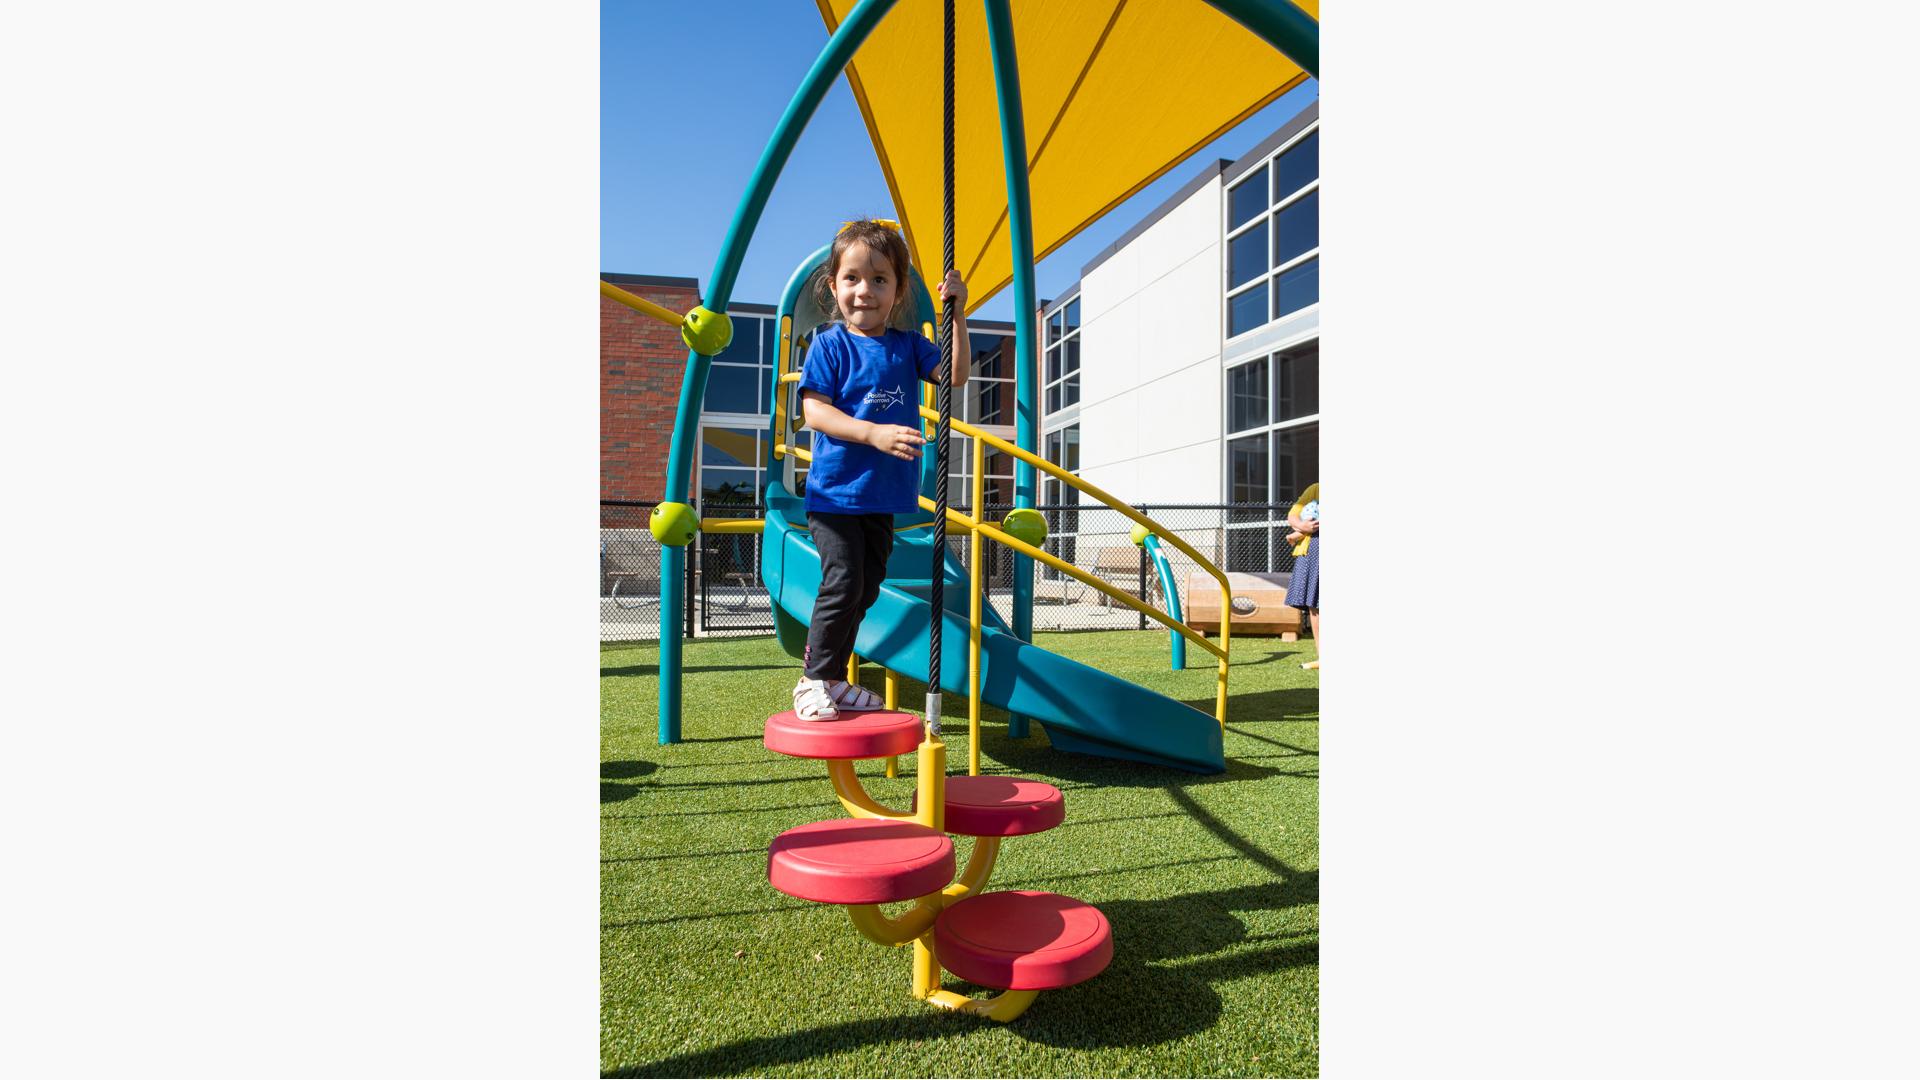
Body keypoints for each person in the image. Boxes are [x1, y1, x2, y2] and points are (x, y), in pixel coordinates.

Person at [790, 219, 970, 720]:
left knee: (868, 586)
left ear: (898, 289)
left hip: (883, 497)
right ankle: (812, 679)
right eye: (851, 279)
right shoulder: (830, 345)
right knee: (844, 580)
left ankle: (835, 677)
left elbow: (953, 374)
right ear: (834, 286)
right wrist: (872, 433)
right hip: (835, 496)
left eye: (879, 280)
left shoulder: (908, 345)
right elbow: (814, 412)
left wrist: (959, 311)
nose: (864, 291)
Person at [1284, 481, 1319, 669]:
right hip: (1314, 551)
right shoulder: (1315, 488)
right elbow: (1293, 515)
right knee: (1316, 605)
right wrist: (1302, 527)